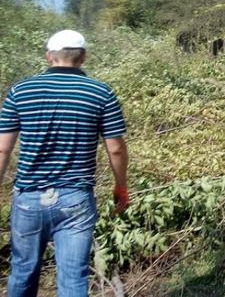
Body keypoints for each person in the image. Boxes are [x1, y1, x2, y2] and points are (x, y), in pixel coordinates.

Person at [0, 29, 129, 297]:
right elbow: (115, 149)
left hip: (28, 198)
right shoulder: (101, 93)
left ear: (49, 57)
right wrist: (121, 187)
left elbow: (3, 149)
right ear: (83, 58)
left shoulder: (21, 91)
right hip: (76, 200)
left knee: (23, 271)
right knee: (73, 277)